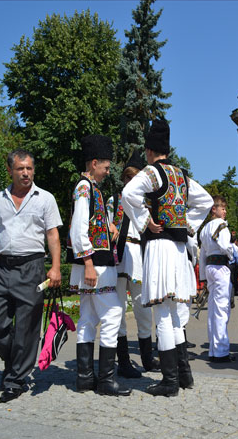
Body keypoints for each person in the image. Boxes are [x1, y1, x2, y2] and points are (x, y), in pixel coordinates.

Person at [121, 119, 213, 397]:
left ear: (149, 150)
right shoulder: (180, 174)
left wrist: (145, 220)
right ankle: (184, 375)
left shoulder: (152, 172)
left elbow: (128, 193)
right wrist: (186, 223)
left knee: (162, 311)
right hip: (178, 248)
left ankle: (170, 381)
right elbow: (206, 201)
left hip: (160, 247)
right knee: (174, 315)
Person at [0, 149, 62, 403]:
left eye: (29, 168)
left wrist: (56, 267)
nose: (25, 173)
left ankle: (15, 381)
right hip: (2, 268)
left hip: (31, 267)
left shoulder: (45, 198)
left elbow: (52, 235)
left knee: (26, 327)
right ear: (10, 171)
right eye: (20, 169)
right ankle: (17, 361)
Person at [67, 135, 131, 397]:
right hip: (96, 266)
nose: (108, 171)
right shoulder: (85, 187)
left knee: (88, 318)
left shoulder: (90, 188)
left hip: (91, 265)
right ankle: (105, 380)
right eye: (105, 167)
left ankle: (85, 379)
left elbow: (92, 221)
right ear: (94, 163)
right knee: (114, 313)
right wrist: (90, 263)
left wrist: (109, 223)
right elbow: (79, 229)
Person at [107, 151, 159, 378]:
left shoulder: (146, 205)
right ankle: (124, 361)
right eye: (129, 179)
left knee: (143, 308)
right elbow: (104, 224)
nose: (131, 183)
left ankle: (147, 358)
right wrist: (110, 228)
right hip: (118, 256)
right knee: (118, 309)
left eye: (135, 179)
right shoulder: (114, 200)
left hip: (139, 255)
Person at [199, 196, 235, 363]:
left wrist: (202, 277)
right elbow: (224, 245)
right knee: (221, 309)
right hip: (220, 267)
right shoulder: (221, 226)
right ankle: (221, 351)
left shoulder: (205, 229)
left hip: (210, 268)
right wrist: (232, 253)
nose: (225, 211)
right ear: (214, 209)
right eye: (222, 208)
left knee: (213, 310)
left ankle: (214, 349)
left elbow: (203, 254)